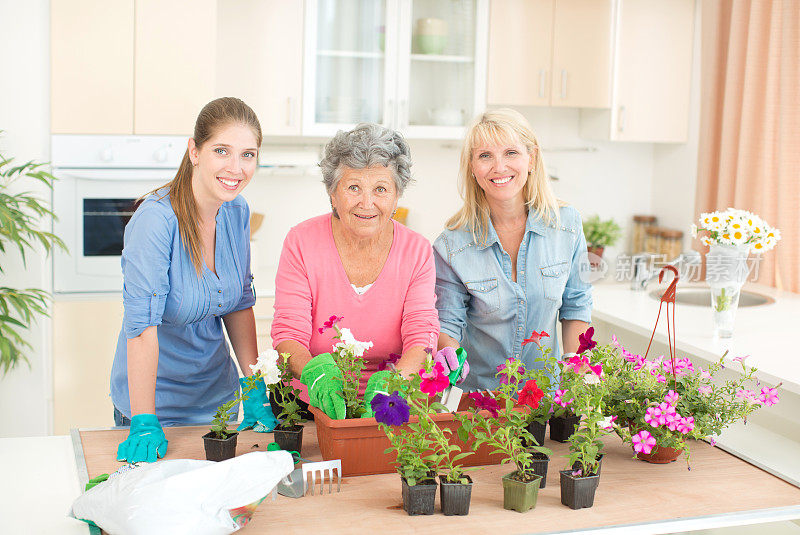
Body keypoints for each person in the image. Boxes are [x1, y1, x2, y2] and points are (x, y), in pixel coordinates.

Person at [111, 97, 278, 463]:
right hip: (155, 407)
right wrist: (142, 420)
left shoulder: (236, 211)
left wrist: (253, 390)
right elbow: (142, 329)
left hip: (218, 402)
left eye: (248, 155)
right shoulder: (156, 221)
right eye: (222, 151)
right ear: (195, 150)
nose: (236, 168)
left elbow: (239, 304)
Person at [271, 123, 440, 419]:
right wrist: (315, 373)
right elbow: (288, 333)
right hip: (311, 404)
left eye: (380, 189)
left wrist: (393, 385)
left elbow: (421, 336)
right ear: (332, 193)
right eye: (353, 187)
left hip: (390, 403)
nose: (367, 203)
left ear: (396, 196)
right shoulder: (301, 242)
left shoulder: (417, 251)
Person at [434, 108, 592, 392]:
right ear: (472, 167)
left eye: (511, 153)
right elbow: (448, 322)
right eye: (485, 156)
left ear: (531, 158)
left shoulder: (566, 226)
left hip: (547, 401)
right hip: (481, 403)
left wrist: (577, 374)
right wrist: (446, 356)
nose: (499, 167)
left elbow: (576, 305)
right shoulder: (452, 245)